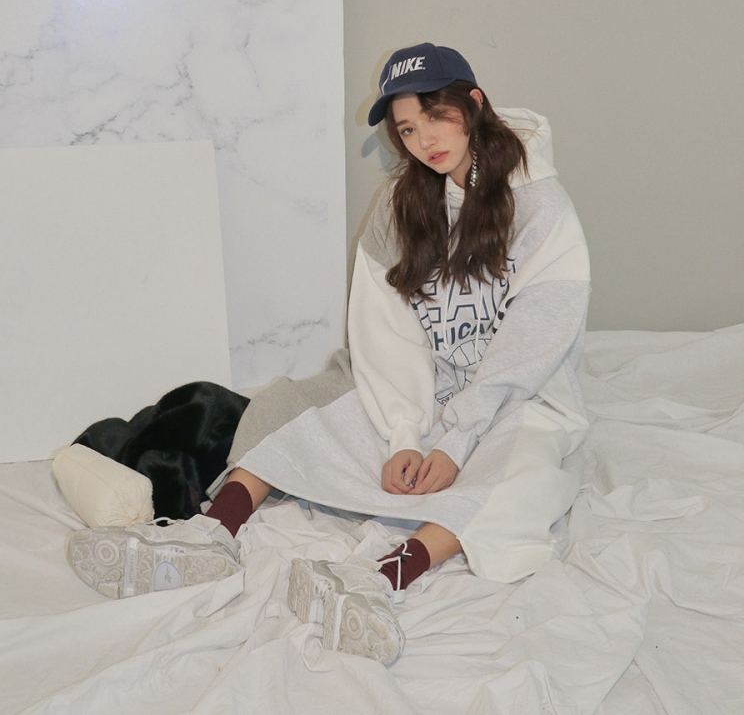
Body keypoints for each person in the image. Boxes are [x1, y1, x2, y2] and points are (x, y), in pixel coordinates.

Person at [67, 43, 590, 667]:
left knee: (520, 475)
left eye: (436, 115)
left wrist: (455, 442)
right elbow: (384, 329)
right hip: (423, 385)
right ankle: (209, 535)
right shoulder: (404, 202)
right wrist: (404, 432)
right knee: (295, 405)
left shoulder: (541, 205)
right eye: (407, 128)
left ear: (474, 104)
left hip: (518, 392)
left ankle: (376, 581)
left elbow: (534, 342)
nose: (425, 139)